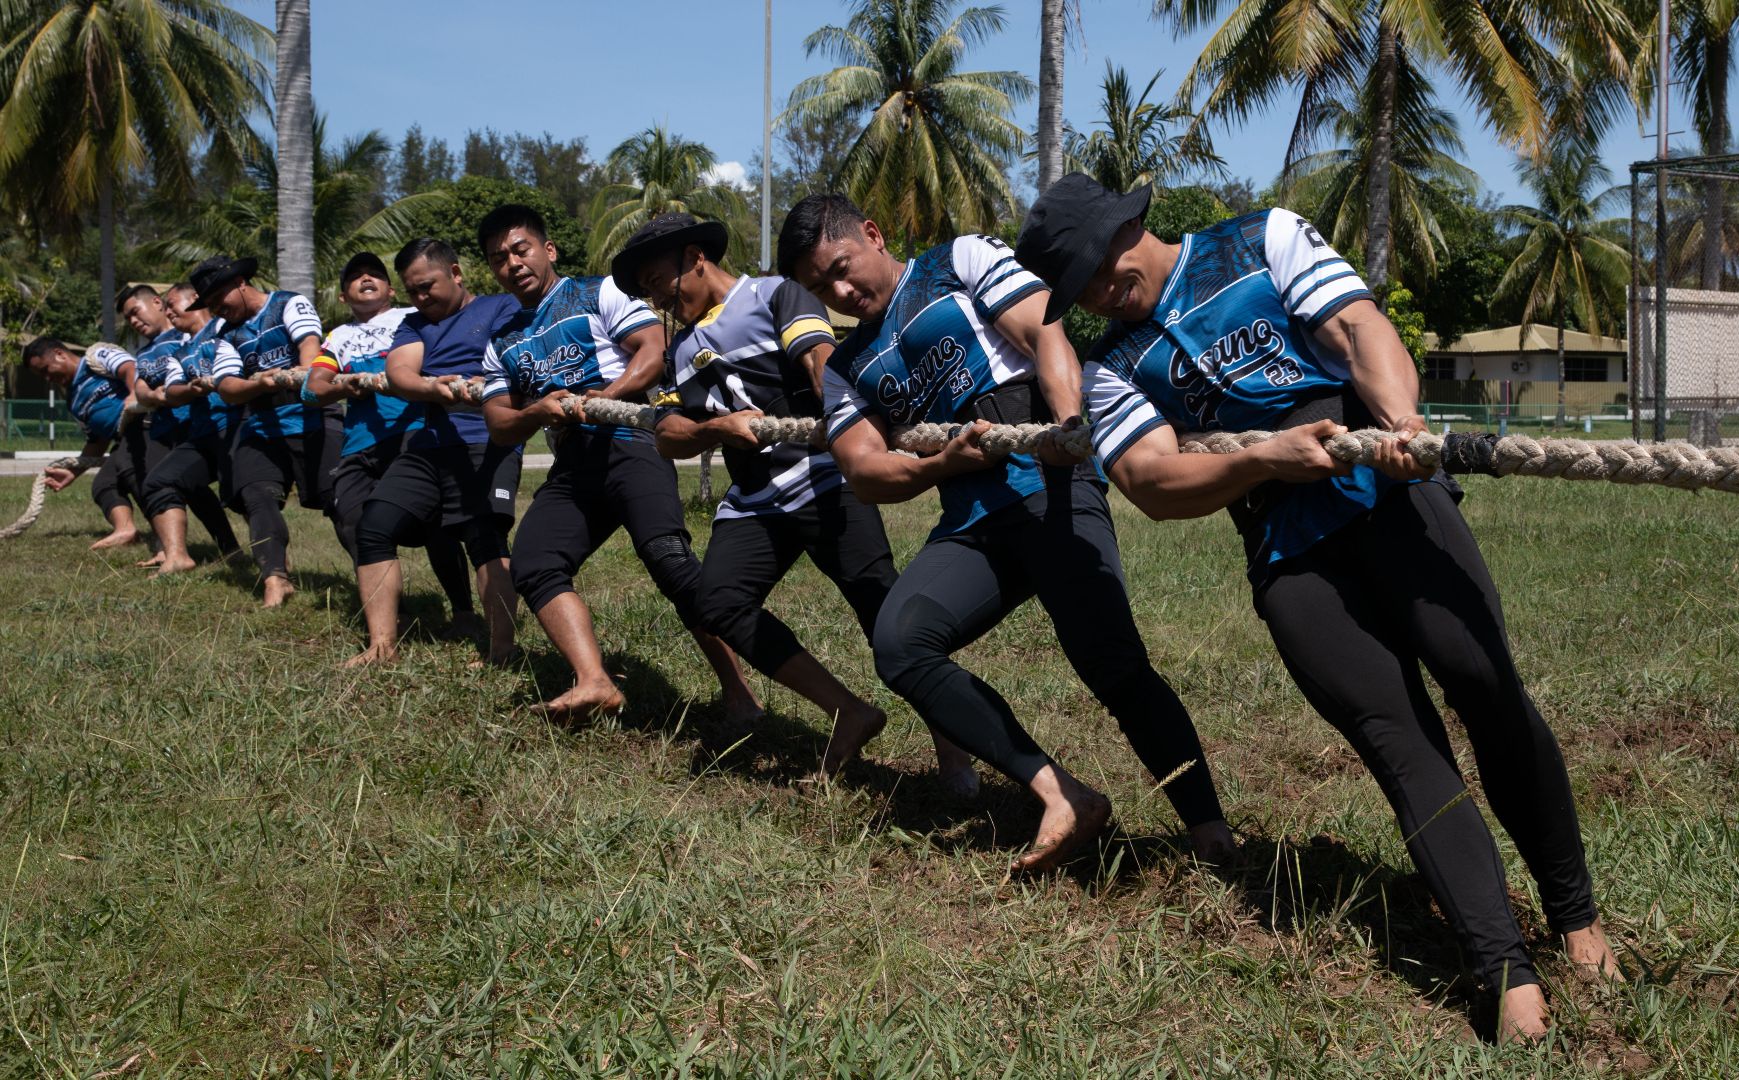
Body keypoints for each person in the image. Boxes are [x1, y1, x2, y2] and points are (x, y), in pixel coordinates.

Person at [1014, 173, 1622, 1040]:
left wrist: (1401, 422)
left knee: (1484, 685)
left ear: (1132, 222)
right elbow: (1151, 479)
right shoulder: (1110, 364)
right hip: (1285, 550)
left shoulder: (1261, 241)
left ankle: (1577, 922)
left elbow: (1357, 326)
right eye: (1080, 290)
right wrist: (1266, 458)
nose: (1103, 292)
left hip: (1388, 496)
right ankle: (1504, 970)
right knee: (1400, 746)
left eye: (1101, 266)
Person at [776, 193, 1232, 871]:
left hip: (1051, 490)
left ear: (873, 233)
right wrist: (941, 467)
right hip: (971, 522)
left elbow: (1044, 334)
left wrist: (1068, 424)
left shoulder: (957, 260)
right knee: (900, 645)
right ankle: (1062, 794)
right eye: (821, 289)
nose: (840, 292)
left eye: (842, 268)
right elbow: (864, 470)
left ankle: (1211, 833)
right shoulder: (847, 367)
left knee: (1114, 669)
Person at [611, 213, 976, 786]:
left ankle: (953, 747)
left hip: (827, 482)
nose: (657, 295)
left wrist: (854, 431)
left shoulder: (774, 295)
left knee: (886, 619)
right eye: (647, 291)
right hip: (756, 500)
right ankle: (848, 712)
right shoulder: (680, 349)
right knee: (719, 603)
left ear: (694, 258)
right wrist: (717, 429)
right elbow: (666, 434)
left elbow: (820, 364)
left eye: (660, 280)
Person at [475, 204, 760, 721]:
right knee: (535, 562)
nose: (512, 263)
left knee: (670, 561)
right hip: (573, 465)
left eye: (521, 250)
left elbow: (651, 354)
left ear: (548, 250)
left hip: (630, 441)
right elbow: (497, 420)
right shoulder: (502, 343)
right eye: (499, 258)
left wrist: (602, 397)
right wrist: (538, 409)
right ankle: (595, 681)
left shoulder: (597, 292)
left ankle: (740, 692)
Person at [348, 239, 523, 668]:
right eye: (413, 291)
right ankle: (381, 647)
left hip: (488, 437)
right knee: (373, 526)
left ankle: (501, 649)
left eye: (428, 286)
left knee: (484, 537)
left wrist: (479, 381)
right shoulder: (413, 324)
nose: (422, 298)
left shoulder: (501, 307)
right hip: (429, 442)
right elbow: (399, 371)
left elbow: (517, 357)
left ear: (457, 274)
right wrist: (430, 387)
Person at [300, 252, 479, 643]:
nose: (366, 278)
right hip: (358, 446)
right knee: (351, 520)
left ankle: (464, 612)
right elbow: (312, 389)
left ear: (391, 289)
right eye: (355, 276)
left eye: (375, 275)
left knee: (438, 528)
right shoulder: (337, 338)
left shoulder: (409, 320)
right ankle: (388, 615)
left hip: (415, 434)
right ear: (343, 296)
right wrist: (344, 385)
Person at [192, 255, 343, 608]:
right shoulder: (227, 334)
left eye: (219, 300)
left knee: (342, 506)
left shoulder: (289, 304)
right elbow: (228, 387)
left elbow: (309, 356)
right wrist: (264, 382)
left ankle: (374, 579)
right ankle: (275, 578)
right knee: (255, 497)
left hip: (313, 421)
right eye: (210, 306)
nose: (216, 310)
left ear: (240, 283)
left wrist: (277, 378)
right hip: (261, 429)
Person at [120, 283, 241, 566]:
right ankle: (172, 551)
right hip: (168, 429)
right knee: (168, 484)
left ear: (158, 304)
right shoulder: (145, 353)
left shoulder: (190, 333)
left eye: (135, 312)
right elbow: (141, 389)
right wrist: (155, 395)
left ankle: (235, 550)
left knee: (237, 489)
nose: (134, 322)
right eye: (128, 319)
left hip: (207, 422)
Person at [22, 337, 142, 544]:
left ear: (60, 354)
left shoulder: (95, 358)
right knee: (104, 484)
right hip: (124, 443)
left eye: (45, 370)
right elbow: (97, 441)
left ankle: (164, 539)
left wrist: (133, 394)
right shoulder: (73, 402)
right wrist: (73, 472)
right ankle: (125, 530)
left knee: (133, 474)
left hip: (148, 426)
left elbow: (129, 367)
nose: (47, 378)